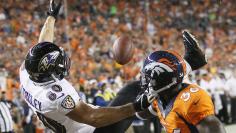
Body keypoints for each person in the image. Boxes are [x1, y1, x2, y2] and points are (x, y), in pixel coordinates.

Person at [19, 1, 152, 133]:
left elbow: (42, 45)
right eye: (58, 64)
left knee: (138, 92)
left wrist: (51, 17)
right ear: (49, 73)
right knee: (138, 88)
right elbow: (92, 118)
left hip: (77, 126)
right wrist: (135, 107)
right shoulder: (56, 96)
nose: (63, 64)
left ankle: (149, 110)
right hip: (96, 129)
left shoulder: (27, 73)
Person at [135, 31, 226, 133]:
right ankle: (191, 62)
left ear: (163, 80)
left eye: (149, 78)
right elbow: (140, 114)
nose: (146, 82)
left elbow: (215, 128)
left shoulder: (189, 99)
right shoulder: (161, 98)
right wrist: (141, 103)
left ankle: (191, 62)